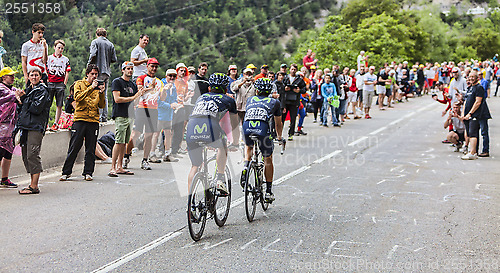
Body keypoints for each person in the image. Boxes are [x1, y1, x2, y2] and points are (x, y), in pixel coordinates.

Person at [186, 73, 237, 194]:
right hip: (210, 127)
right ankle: (220, 178)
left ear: (209, 88)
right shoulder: (228, 100)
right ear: (225, 89)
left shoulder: (202, 97)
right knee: (222, 146)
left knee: (195, 166)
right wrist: (235, 142)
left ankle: (190, 201)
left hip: (191, 128)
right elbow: (234, 125)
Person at [60, 64, 105, 181]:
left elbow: (102, 105)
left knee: (90, 148)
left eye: (96, 74)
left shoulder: (97, 87)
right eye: (92, 74)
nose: (94, 76)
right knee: (74, 146)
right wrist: (91, 88)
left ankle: (88, 172)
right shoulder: (79, 84)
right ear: (87, 74)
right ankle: (66, 172)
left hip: (93, 120)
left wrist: (101, 93)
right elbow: (78, 97)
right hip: (80, 119)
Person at [241, 78, 284, 202]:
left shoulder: (250, 99)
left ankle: (245, 166)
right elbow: (278, 123)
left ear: (257, 90)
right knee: (268, 158)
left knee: (248, 147)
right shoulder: (274, 102)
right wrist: (279, 137)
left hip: (247, 127)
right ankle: (269, 191)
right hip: (263, 129)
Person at [16, 67, 50, 194]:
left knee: (33, 154)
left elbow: (36, 108)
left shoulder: (42, 90)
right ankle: (32, 183)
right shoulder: (29, 90)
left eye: (36, 75)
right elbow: (22, 109)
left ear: (40, 77)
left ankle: (34, 186)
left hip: (35, 127)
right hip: (26, 126)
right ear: (28, 77)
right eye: (32, 75)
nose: (34, 77)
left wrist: (24, 98)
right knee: (26, 155)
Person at [125, 58, 163, 170]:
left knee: (149, 136)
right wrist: (150, 88)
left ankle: (145, 160)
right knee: (134, 136)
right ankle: (126, 156)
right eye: (152, 66)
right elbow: (140, 91)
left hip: (153, 110)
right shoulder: (141, 78)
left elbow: (163, 97)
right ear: (147, 66)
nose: (154, 68)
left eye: (156, 66)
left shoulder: (159, 82)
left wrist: (165, 90)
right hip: (142, 108)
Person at [108, 62, 145, 177]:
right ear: (123, 70)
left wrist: (140, 94)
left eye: (131, 69)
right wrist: (133, 97)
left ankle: (120, 166)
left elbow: (135, 102)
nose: (130, 71)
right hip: (120, 115)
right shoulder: (117, 82)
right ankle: (112, 167)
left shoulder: (133, 85)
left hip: (130, 115)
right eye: (128, 69)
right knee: (118, 141)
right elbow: (117, 99)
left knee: (124, 141)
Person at [0, 67, 24, 188]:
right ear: (4, 77)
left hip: (12, 126)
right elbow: (8, 97)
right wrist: (15, 96)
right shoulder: (1, 89)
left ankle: (4, 178)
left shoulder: (14, 90)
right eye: (10, 75)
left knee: (8, 152)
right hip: (1, 125)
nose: (13, 77)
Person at [87, 28, 117, 123]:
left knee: (97, 93)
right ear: (105, 35)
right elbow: (114, 59)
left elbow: (93, 54)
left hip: (97, 71)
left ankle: (98, 117)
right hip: (107, 72)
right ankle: (104, 116)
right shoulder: (110, 44)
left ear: (97, 34)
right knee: (105, 94)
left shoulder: (95, 42)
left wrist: (89, 65)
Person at [461, 71, 492, 160]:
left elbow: (478, 102)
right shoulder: (470, 88)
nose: (470, 78)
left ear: (477, 78)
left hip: (479, 114)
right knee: (471, 133)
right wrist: (464, 113)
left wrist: (470, 113)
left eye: (473, 77)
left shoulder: (479, 88)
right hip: (468, 115)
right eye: (469, 77)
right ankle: (474, 150)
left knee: (480, 132)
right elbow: (466, 101)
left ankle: (479, 151)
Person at [47, 40, 71, 131]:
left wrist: (64, 84)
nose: (60, 50)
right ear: (54, 47)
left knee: (59, 104)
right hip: (50, 83)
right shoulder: (49, 58)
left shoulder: (65, 59)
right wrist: (47, 81)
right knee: (47, 104)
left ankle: (56, 123)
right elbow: (46, 69)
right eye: (59, 48)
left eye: (62, 48)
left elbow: (67, 72)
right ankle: (46, 123)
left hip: (60, 83)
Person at [158, 69, 181, 162]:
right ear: (166, 75)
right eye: (170, 76)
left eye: (173, 76)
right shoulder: (161, 84)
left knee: (168, 133)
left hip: (168, 113)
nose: (172, 78)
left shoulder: (174, 86)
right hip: (160, 112)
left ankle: (167, 153)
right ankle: (151, 154)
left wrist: (175, 104)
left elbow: (174, 98)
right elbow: (158, 101)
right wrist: (170, 105)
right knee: (156, 134)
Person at [282, 64, 306, 140]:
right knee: (282, 118)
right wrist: (284, 88)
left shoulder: (299, 79)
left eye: (294, 70)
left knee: (293, 119)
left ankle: (290, 134)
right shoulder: (285, 78)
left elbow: (304, 89)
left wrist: (299, 91)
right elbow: (279, 87)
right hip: (285, 101)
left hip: (294, 101)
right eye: (292, 69)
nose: (293, 71)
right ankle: (279, 134)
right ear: (290, 70)